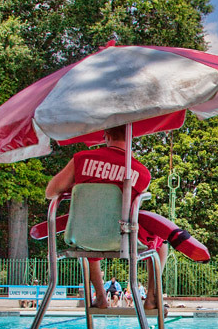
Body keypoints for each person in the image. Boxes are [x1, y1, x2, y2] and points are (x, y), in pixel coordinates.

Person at [45, 126, 167, 309]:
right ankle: (151, 297)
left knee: (91, 232)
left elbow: (51, 192)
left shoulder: (81, 159)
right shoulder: (142, 172)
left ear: (106, 136)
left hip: (82, 235)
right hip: (123, 236)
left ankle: (101, 297)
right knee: (162, 240)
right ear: (131, 139)